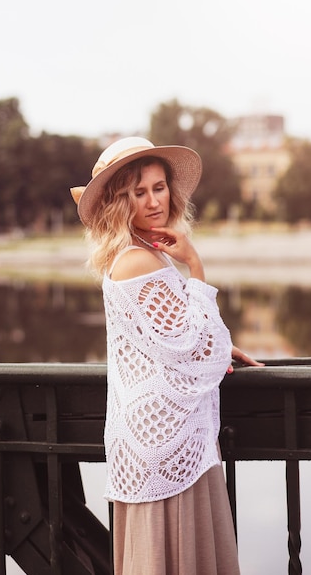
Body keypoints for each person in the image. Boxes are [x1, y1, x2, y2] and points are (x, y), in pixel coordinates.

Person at [70, 136, 261, 575]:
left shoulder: (135, 255)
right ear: (120, 202)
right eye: (139, 192)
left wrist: (216, 343)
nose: (155, 201)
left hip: (157, 440)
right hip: (166, 441)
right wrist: (195, 265)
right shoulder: (139, 261)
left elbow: (168, 341)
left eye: (159, 187)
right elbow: (202, 352)